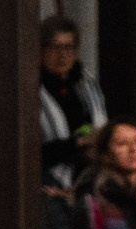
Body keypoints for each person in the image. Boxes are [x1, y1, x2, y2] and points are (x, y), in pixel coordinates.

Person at [39, 16, 107, 192]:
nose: (62, 55)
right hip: (48, 178)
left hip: (92, 173)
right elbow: (32, 152)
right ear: (40, 50)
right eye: (54, 47)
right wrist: (81, 142)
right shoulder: (31, 89)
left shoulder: (87, 83)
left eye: (68, 47)